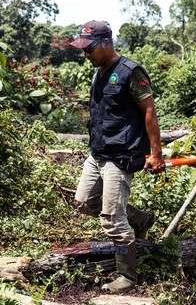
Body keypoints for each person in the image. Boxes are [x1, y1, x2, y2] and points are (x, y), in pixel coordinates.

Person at [70, 20, 165, 292]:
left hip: (120, 156)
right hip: (98, 153)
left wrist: (155, 153)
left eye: (89, 49)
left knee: (111, 218)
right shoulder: (98, 72)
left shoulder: (130, 72)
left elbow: (149, 111)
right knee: (84, 203)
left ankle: (127, 277)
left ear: (106, 43)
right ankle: (141, 219)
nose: (85, 54)